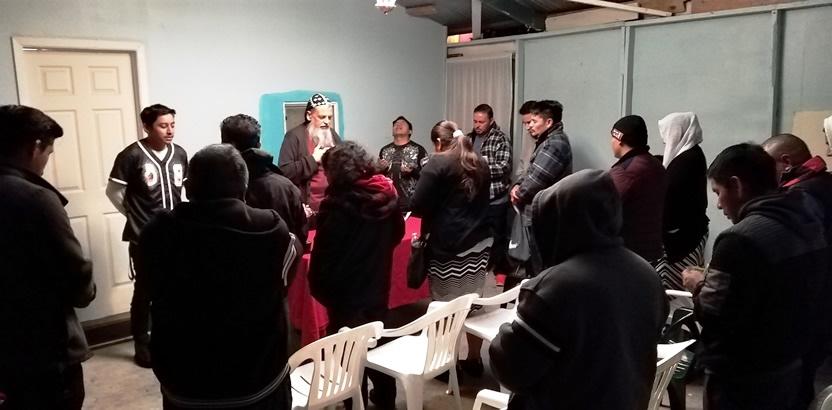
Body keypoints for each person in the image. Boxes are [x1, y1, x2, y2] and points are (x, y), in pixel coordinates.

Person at [490, 169, 667, 409]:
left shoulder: (554, 288)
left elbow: (512, 369)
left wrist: (505, 332)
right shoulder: (647, 275)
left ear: (560, 223)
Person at [141, 144, 297, 409]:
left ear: (187, 188)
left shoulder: (156, 232)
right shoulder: (272, 229)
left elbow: (149, 287)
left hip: (184, 386)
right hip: (259, 385)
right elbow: (286, 278)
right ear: (244, 189)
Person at [682, 143, 827, 409]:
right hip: (793, 367)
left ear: (736, 185)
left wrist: (698, 284)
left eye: (718, 192)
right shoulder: (807, 221)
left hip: (743, 380)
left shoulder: (739, 239)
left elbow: (713, 315)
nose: (718, 204)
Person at [0, 105, 96, 409]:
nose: (45, 163)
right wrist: (87, 291)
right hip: (42, 347)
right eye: (48, 153)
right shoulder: (36, 198)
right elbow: (75, 273)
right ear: (35, 147)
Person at [308, 141, 404, 410]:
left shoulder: (336, 205)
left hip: (345, 294)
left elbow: (324, 256)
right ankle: (385, 400)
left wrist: (320, 288)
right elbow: (397, 234)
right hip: (377, 284)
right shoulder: (386, 192)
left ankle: (354, 402)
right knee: (378, 342)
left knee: (348, 355)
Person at [106, 103, 188, 368]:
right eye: (163, 126)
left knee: (175, 287)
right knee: (144, 290)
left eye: (172, 125)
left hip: (175, 235)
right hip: (144, 237)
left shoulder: (180, 154)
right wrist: (134, 215)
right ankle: (142, 343)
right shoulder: (131, 155)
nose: (170, 131)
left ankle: (171, 336)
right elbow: (114, 192)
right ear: (146, 127)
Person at [410, 120, 492, 377]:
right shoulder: (480, 161)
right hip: (480, 241)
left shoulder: (438, 163)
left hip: (449, 244)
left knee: (445, 309)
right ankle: (474, 360)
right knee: (473, 302)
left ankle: (448, 366)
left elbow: (417, 204)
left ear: (437, 142)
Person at [762, 133, 832, 409]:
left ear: (786, 162)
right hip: (822, 302)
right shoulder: (824, 182)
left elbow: (796, 254)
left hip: (810, 304)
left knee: (794, 385)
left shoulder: (802, 196)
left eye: (767, 166)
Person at [220, 114, 307, 250]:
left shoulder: (216, 185)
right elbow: (299, 238)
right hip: (279, 262)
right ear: (259, 144)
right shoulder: (286, 187)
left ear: (225, 146)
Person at [510, 100, 572, 277]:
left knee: (541, 267)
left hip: (545, 214)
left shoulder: (555, 144)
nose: (529, 126)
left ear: (549, 122)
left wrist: (518, 193)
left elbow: (537, 179)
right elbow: (531, 171)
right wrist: (517, 185)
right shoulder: (546, 140)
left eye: (534, 121)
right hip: (539, 212)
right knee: (534, 263)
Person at [655, 112, 709, 304]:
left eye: (667, 135)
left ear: (677, 132)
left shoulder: (686, 162)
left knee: (669, 292)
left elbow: (671, 201)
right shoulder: (691, 156)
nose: (664, 141)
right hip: (688, 233)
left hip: (680, 240)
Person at [608, 115, 666, 264]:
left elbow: (603, 210)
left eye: (612, 137)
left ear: (619, 139)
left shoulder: (624, 173)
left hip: (626, 255)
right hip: (651, 251)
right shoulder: (657, 165)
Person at [466, 104, 512, 290]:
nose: (477, 125)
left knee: (498, 236)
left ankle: (500, 271)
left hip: (495, 198)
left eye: (481, 122)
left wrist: (478, 168)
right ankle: (480, 267)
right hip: (473, 197)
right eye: (475, 121)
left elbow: (503, 167)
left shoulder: (500, 139)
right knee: (476, 235)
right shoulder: (468, 139)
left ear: (491, 121)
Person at [278, 93, 342, 221]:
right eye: (322, 117)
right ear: (309, 116)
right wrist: (313, 160)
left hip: (333, 209)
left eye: (329, 117)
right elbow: (284, 172)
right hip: (306, 212)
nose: (327, 122)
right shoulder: (294, 137)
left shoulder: (333, 135)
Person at [378, 115, 427, 210]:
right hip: (388, 201)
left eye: (402, 123)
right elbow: (379, 177)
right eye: (396, 124)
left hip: (411, 202)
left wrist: (412, 171)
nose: (398, 125)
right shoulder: (384, 150)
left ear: (410, 131)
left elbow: (427, 176)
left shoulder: (419, 150)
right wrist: (380, 168)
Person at [514, 100, 537, 178]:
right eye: (524, 123)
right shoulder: (528, 137)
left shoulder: (552, 140)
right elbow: (522, 165)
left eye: (529, 122)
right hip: (525, 183)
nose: (527, 127)